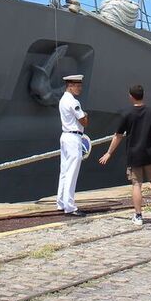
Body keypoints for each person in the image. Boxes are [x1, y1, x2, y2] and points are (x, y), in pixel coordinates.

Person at [98, 84, 151, 226]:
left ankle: (138, 216)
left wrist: (109, 153)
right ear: (143, 95)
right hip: (150, 154)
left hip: (134, 154)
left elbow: (118, 136)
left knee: (136, 184)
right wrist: (149, 138)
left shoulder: (126, 114)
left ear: (131, 96)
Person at [56, 74, 89, 216]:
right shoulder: (74, 102)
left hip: (65, 136)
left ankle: (61, 202)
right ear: (70, 86)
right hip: (73, 137)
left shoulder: (63, 100)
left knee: (64, 171)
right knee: (72, 172)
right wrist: (86, 115)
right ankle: (69, 206)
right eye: (77, 86)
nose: (80, 88)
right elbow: (84, 122)